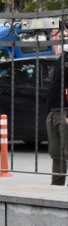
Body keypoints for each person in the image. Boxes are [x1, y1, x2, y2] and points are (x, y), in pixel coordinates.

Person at [45, 54, 67, 186]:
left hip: (65, 111)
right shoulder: (63, 57)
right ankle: (57, 187)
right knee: (56, 153)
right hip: (54, 111)